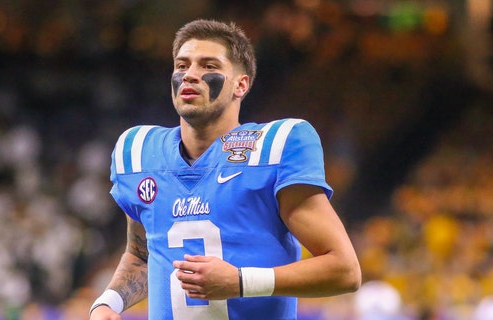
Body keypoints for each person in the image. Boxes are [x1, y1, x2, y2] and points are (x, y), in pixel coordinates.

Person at [89, 19, 361, 320]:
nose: (190, 75)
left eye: (208, 66)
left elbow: (344, 269)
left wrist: (242, 282)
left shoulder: (275, 146)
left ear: (240, 84)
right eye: (182, 65)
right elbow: (142, 254)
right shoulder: (139, 152)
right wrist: (108, 303)